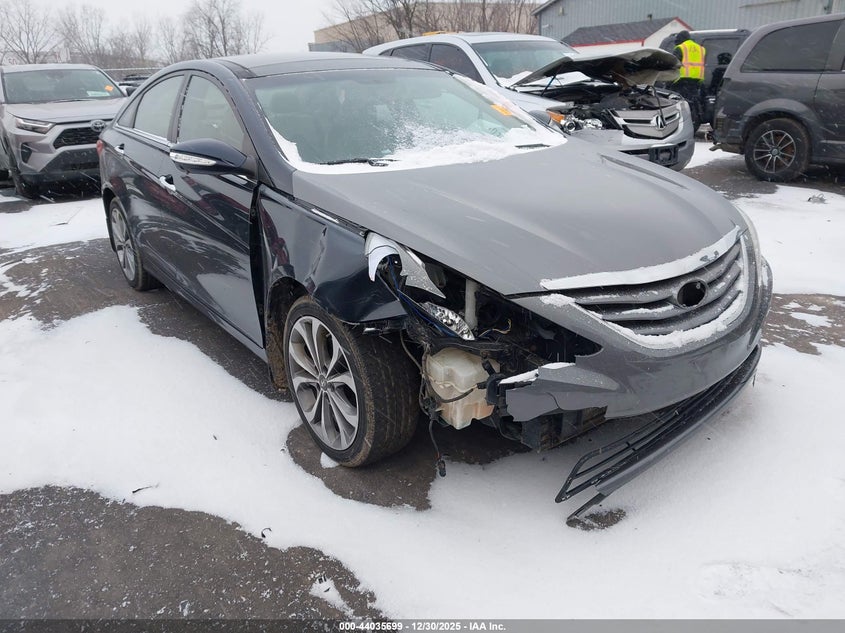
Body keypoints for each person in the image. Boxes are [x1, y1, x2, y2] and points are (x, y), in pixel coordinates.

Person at [672, 30, 706, 131]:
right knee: (693, 104)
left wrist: (669, 82)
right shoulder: (701, 49)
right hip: (696, 81)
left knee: (680, 105)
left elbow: (673, 65)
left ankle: (681, 125)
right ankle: (694, 121)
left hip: (682, 81)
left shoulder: (680, 48)